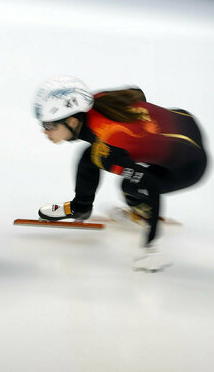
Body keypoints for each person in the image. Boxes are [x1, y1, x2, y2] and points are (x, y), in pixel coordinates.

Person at [34, 76, 208, 272]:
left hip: (189, 166)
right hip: (184, 120)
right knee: (90, 155)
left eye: (49, 125)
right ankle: (80, 208)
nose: (44, 131)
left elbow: (150, 185)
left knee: (130, 187)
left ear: (73, 122)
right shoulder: (98, 100)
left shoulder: (108, 146)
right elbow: (136, 92)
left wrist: (150, 247)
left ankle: (138, 212)